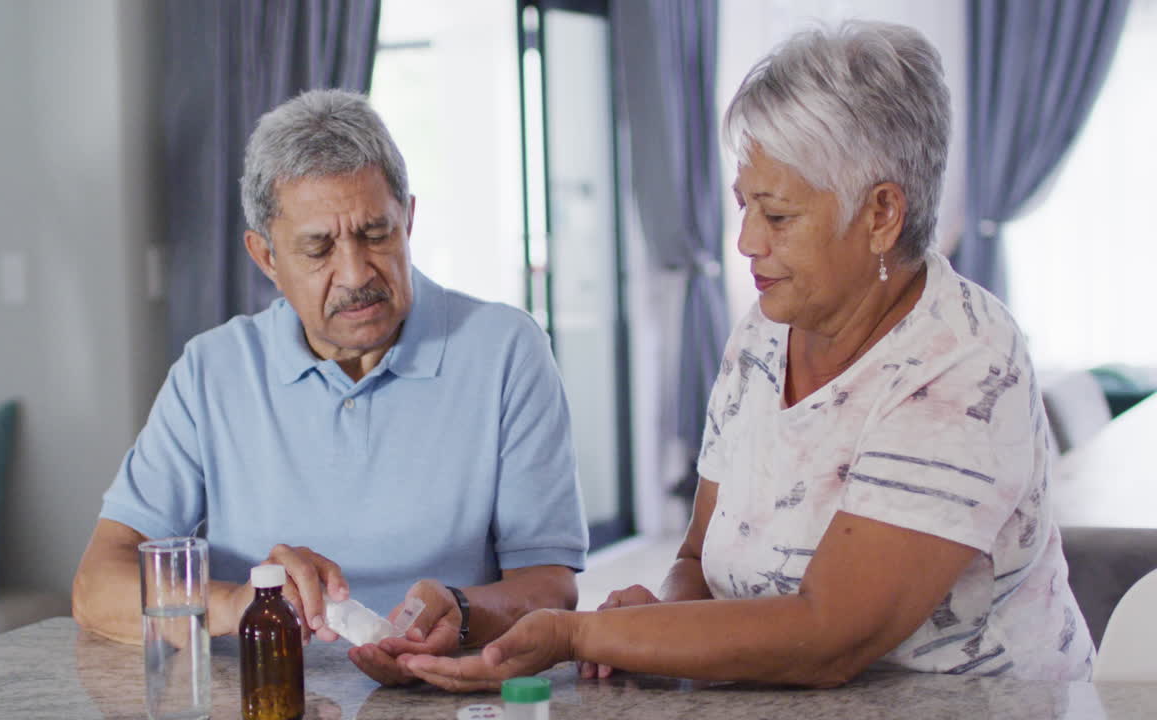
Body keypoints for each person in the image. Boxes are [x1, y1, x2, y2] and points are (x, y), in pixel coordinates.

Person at [403, 21, 1094, 690]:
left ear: (881, 214)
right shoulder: (765, 334)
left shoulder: (963, 360)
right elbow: (700, 558)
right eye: (743, 207)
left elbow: (829, 637)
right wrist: (663, 619)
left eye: (778, 216)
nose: (745, 242)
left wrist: (578, 633)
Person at [71, 89, 588, 686]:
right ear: (264, 256)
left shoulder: (505, 349)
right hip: (266, 694)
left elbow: (551, 583)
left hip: (446, 691)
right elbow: (98, 584)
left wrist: (465, 613)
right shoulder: (211, 370)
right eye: (318, 248)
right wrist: (240, 604)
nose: (356, 273)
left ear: (409, 218)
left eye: (376, 234)